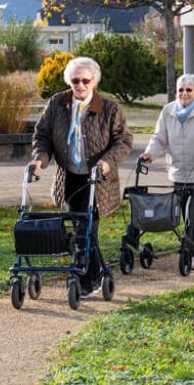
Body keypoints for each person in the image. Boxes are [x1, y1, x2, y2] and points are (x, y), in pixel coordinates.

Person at [29, 56, 132, 296]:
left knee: (86, 229)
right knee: (79, 229)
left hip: (98, 179)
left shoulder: (109, 108)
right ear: (69, 81)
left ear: (94, 81)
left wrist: (107, 162)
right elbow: (42, 135)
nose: (80, 85)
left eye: (86, 80)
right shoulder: (57, 103)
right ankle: (90, 275)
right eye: (75, 80)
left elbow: (124, 140)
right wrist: (39, 159)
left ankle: (87, 280)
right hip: (70, 177)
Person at [141, 73, 194, 270]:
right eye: (180, 90)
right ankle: (188, 247)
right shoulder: (168, 111)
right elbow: (159, 137)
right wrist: (150, 153)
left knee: (192, 213)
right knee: (181, 211)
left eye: (189, 90)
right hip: (177, 170)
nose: (184, 94)